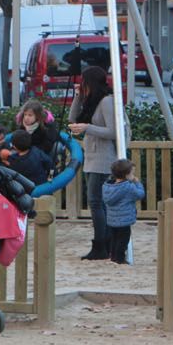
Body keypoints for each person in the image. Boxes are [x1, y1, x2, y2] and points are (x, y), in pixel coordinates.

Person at [69, 64, 118, 260]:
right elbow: (73, 119)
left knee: (96, 202)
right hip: (92, 157)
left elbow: (113, 131)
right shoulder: (92, 101)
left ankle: (101, 244)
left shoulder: (106, 102)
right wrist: (78, 97)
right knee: (98, 203)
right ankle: (104, 244)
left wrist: (88, 128)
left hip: (103, 159)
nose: (83, 86)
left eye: (84, 83)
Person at [102, 158, 145, 264]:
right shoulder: (128, 187)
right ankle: (120, 259)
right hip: (124, 220)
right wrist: (137, 183)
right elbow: (140, 194)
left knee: (114, 239)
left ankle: (113, 257)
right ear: (126, 175)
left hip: (112, 219)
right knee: (123, 241)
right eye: (132, 174)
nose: (133, 176)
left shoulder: (107, 186)